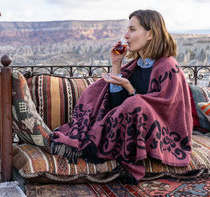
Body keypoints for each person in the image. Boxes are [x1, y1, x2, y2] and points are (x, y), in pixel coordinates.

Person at [51, 10, 192, 182]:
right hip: (133, 127)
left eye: (132, 30)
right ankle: (92, 143)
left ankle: (94, 146)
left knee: (135, 103)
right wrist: (116, 65)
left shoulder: (168, 67)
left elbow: (164, 111)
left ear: (150, 34)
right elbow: (118, 107)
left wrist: (130, 89)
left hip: (163, 135)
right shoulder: (135, 66)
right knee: (100, 91)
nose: (126, 36)